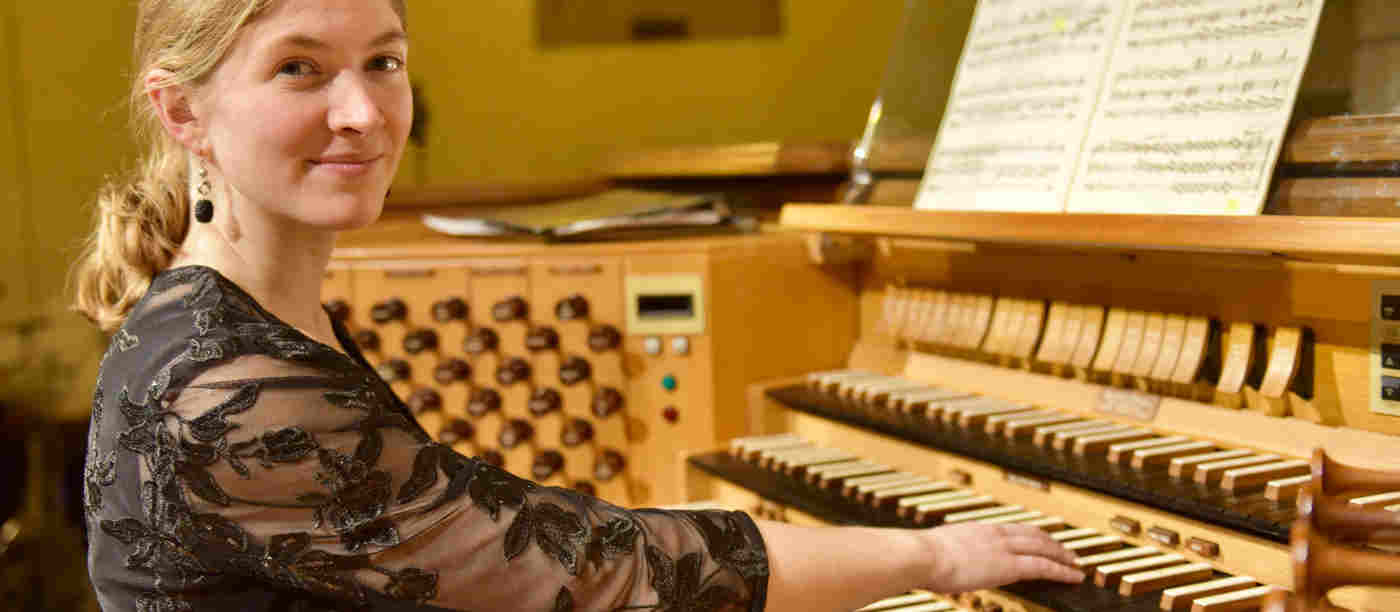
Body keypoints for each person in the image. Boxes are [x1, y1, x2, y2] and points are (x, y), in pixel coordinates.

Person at [72, 1, 1086, 610]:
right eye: (300, 68)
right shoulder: (232, 389)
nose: (363, 112)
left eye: (382, 60)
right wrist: (933, 553)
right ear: (182, 111)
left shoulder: (235, 318)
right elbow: (588, 577)